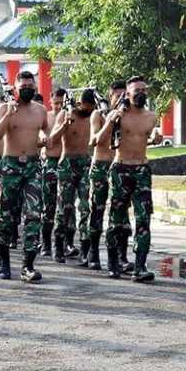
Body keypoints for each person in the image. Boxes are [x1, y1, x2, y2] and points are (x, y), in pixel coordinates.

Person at [97, 76, 162, 282]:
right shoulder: (117, 115)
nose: (141, 93)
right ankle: (113, 263)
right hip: (120, 169)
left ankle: (140, 267)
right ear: (128, 93)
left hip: (142, 169)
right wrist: (111, 119)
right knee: (117, 219)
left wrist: (155, 138)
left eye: (144, 90)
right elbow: (100, 140)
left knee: (144, 219)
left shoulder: (151, 116)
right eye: (137, 90)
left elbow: (145, 139)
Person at [0, 71, 50, 283]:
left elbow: (46, 133)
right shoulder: (3, 108)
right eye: (23, 85)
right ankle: (3, 261)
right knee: (5, 216)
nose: (27, 88)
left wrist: (44, 136)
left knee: (34, 215)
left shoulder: (41, 110)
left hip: (33, 166)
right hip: (9, 166)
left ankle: (28, 265)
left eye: (30, 85)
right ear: (15, 87)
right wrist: (8, 114)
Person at [49, 88, 95, 265]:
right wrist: (65, 125)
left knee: (85, 207)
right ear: (79, 103)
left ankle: (85, 250)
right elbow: (52, 140)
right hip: (67, 163)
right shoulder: (66, 114)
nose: (89, 110)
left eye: (92, 108)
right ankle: (58, 246)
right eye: (86, 107)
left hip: (84, 163)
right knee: (64, 207)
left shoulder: (92, 117)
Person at [87, 81, 126, 270]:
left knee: (120, 212)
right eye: (117, 95)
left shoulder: (127, 115)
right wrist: (110, 121)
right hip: (100, 166)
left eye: (123, 95)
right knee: (97, 209)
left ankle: (121, 256)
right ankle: (93, 251)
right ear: (110, 97)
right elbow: (95, 140)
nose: (120, 99)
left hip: (119, 165)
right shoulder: (98, 114)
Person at [40, 89, 65, 257]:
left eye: (61, 103)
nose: (58, 106)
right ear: (50, 101)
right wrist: (43, 136)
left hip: (64, 163)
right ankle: (46, 243)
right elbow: (41, 132)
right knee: (48, 205)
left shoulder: (70, 116)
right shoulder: (46, 117)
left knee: (64, 206)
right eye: (56, 103)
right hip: (49, 162)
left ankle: (63, 244)